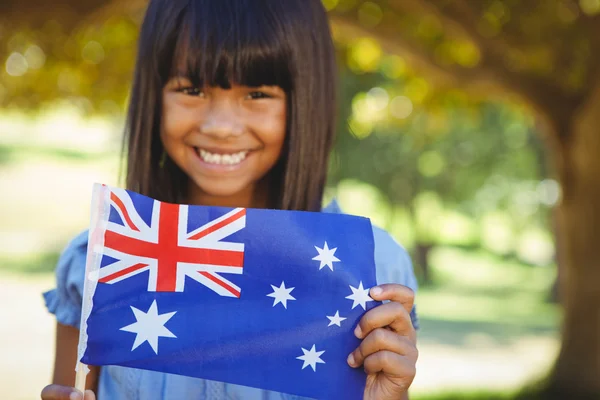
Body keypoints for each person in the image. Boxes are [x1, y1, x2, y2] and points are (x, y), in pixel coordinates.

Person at [41, 0, 419, 399]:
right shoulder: (100, 260)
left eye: (257, 93)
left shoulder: (377, 272)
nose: (221, 127)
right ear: (153, 96)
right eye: (191, 89)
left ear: (306, 100)